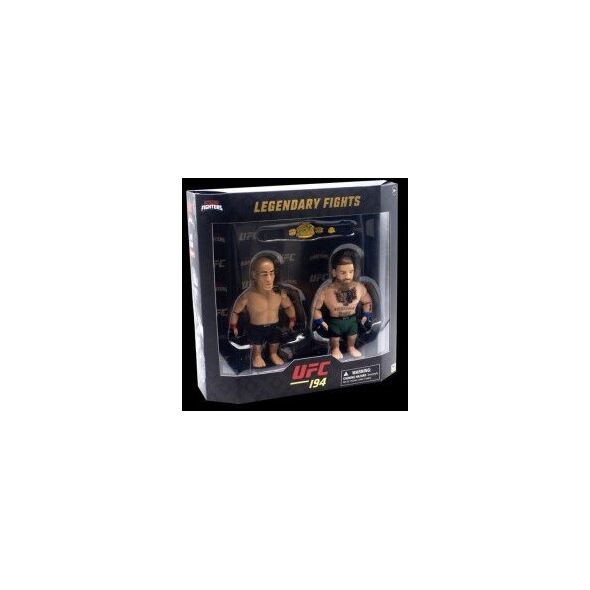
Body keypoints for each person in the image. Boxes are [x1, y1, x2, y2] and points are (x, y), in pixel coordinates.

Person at [229, 256, 296, 368]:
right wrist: (233, 326)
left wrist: (292, 319)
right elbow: (235, 311)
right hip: (256, 328)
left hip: (274, 326)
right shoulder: (247, 296)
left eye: (271, 273)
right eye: (264, 274)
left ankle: (273, 354)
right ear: (254, 275)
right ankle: (256, 356)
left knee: (275, 341)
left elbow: (288, 306)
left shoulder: (280, 293)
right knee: (256, 343)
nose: (269, 279)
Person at [313, 251, 373, 359]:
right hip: (335, 321)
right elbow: (316, 308)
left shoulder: (359, 288)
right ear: (334, 272)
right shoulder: (326, 291)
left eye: (351, 272)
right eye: (343, 272)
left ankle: (351, 347)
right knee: (335, 338)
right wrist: (320, 321)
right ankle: (335, 349)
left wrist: (366, 315)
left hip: (352, 320)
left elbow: (367, 302)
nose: (348, 276)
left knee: (352, 335)